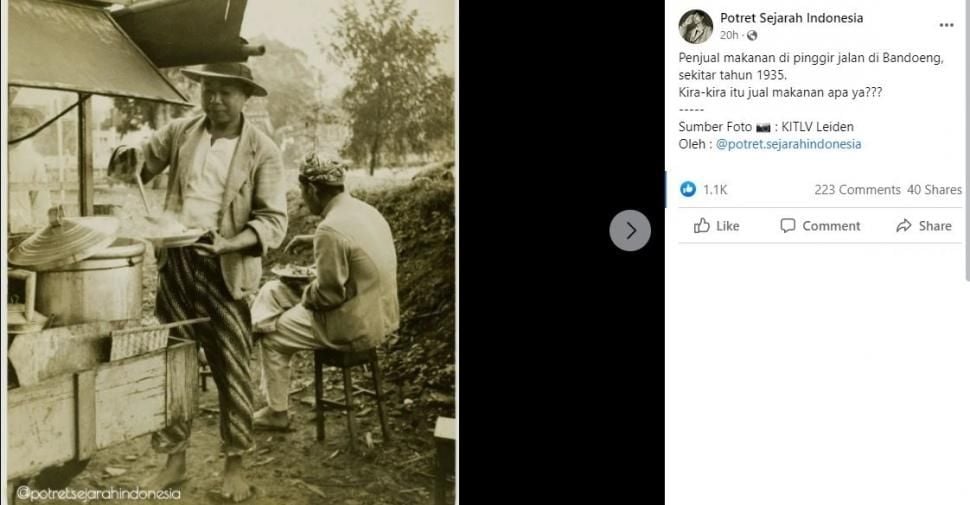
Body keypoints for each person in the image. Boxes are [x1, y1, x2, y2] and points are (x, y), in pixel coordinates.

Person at [109, 62, 287, 502]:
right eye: (209, 89)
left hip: (225, 268)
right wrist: (127, 154)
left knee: (232, 369)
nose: (215, 100)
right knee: (175, 365)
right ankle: (174, 462)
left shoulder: (261, 150)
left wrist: (228, 244)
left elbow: (274, 222)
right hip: (178, 261)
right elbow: (134, 166)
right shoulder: (183, 132)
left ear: (246, 96)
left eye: (226, 92)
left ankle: (235, 465)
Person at [249, 152, 399, 430]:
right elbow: (353, 254)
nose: (304, 200)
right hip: (378, 312)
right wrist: (313, 242)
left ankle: (276, 410)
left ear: (313, 190)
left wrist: (303, 296)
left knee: (272, 336)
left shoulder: (330, 228)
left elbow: (329, 296)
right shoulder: (365, 210)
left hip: (352, 323)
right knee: (272, 290)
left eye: (303, 192)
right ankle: (254, 328)